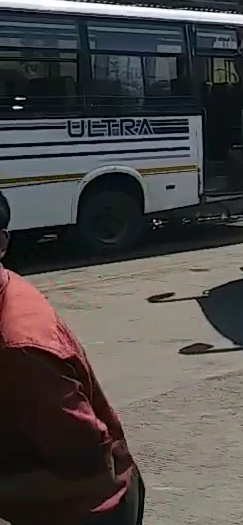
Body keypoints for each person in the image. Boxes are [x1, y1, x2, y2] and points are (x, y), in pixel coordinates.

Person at [0, 190, 146, 525]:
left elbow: (90, 470)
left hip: (88, 512)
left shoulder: (21, 349)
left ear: (2, 243)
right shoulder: (8, 284)